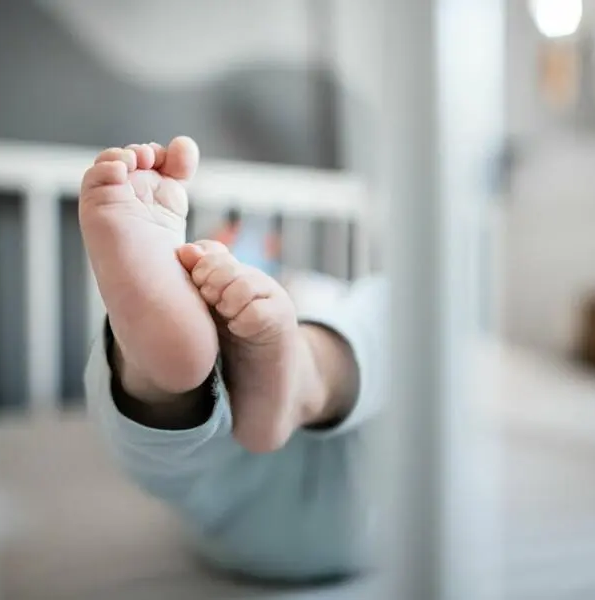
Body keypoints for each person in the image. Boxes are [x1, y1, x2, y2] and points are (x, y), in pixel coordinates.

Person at [80, 136, 386, 582]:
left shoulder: (303, 289)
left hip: (233, 522)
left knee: (173, 447)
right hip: (370, 509)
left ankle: (157, 390)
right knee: (398, 311)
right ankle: (296, 373)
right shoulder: (317, 297)